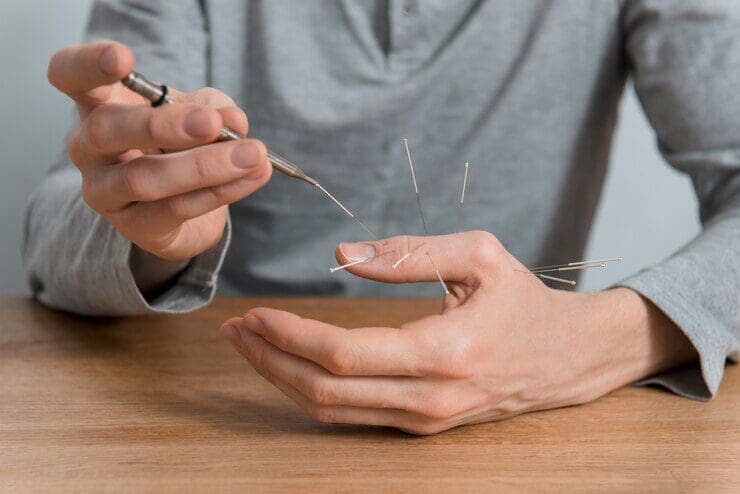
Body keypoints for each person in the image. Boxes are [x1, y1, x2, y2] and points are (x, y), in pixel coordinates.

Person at [25, 1, 738, 434]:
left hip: (526, 437)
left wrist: (601, 340)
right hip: (236, 418)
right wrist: (154, 231)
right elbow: (54, 237)